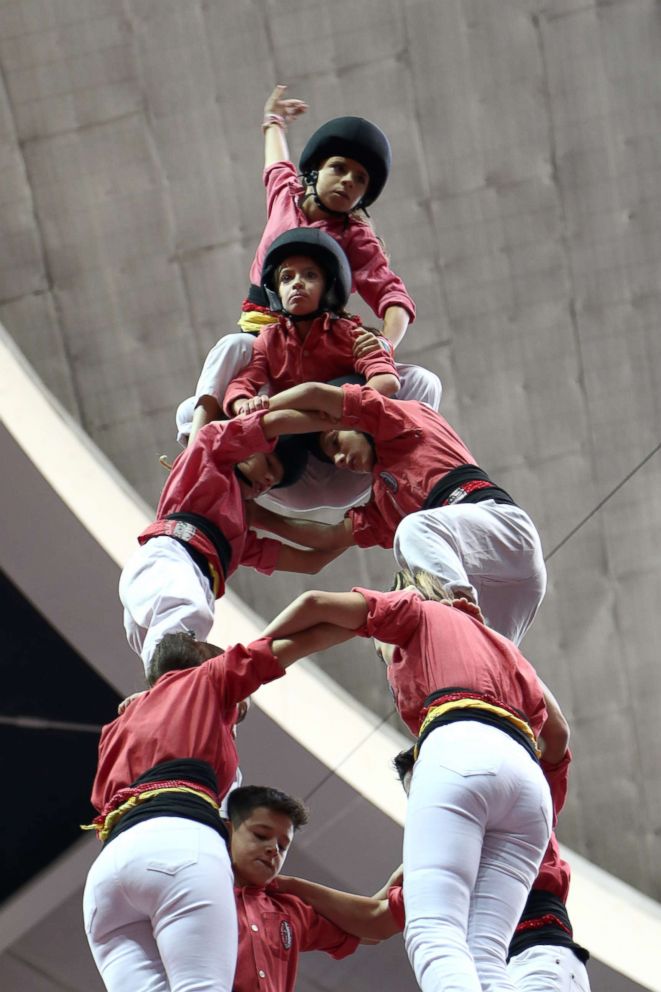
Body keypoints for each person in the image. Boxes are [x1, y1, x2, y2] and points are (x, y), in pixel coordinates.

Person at [260, 567, 558, 992]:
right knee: (485, 955)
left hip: (460, 742)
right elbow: (558, 732)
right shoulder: (506, 648)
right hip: (529, 780)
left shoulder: (416, 609)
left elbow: (314, 605)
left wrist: (248, 661)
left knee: (433, 930)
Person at [83, 620, 354, 992]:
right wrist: (368, 619)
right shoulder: (208, 680)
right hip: (177, 848)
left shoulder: (120, 723)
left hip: (108, 875)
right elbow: (293, 642)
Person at [174, 85, 441, 460]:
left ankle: (399, 464)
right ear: (315, 171)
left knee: (422, 383)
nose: (348, 180)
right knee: (230, 350)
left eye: (360, 179)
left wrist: (385, 343)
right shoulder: (286, 195)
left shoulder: (355, 236)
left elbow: (393, 297)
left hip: (322, 348)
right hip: (266, 341)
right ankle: (199, 451)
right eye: (339, 168)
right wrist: (274, 122)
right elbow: (275, 166)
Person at [250, 380, 546, 645]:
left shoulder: (401, 419)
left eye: (336, 443)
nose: (340, 460)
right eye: (334, 458)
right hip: (496, 580)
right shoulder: (383, 500)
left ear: (354, 421)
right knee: (490, 661)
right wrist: (256, 516)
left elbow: (316, 393)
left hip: (503, 530)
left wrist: (256, 415)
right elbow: (328, 538)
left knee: (413, 531)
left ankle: (455, 608)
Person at [180, 228, 401, 511]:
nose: (297, 283)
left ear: (328, 288)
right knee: (189, 411)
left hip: (343, 450)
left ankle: (399, 461)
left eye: (310, 275)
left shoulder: (349, 334)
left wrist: (347, 413)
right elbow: (244, 382)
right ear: (275, 292)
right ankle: (216, 474)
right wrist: (244, 403)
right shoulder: (269, 340)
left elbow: (386, 381)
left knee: (421, 382)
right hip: (296, 459)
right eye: (287, 277)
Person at [119, 404, 345, 672]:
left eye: (275, 484)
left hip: (186, 584)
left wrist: (363, 530)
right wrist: (329, 408)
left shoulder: (237, 536)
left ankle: (159, 697)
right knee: (191, 621)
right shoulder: (205, 460)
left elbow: (311, 561)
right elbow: (259, 421)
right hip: (169, 559)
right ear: (249, 445)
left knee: (182, 648)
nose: (270, 480)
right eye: (270, 463)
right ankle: (167, 691)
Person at [391, 747, 591, 992]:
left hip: (539, 959)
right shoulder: (443, 858)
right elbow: (374, 919)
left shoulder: (518, 798)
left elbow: (557, 737)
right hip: (509, 969)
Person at [226, 785, 364, 992]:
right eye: (261, 835)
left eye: (282, 846)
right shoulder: (197, 888)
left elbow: (366, 927)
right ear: (229, 831)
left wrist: (296, 885)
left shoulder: (289, 910)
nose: (273, 849)